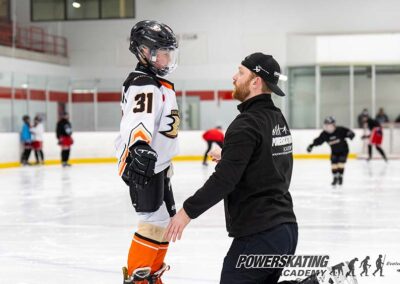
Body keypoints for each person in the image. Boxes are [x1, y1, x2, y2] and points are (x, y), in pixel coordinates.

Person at [165, 53, 298, 284]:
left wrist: (186, 212)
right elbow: (268, 160)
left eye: (241, 72)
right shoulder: (277, 118)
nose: (234, 77)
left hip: (259, 234)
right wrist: (229, 155)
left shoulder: (246, 123)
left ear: (256, 81)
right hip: (285, 231)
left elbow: (225, 180)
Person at [115, 20, 180, 284]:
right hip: (145, 164)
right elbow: (137, 118)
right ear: (144, 51)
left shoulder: (156, 82)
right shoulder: (143, 82)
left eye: (169, 51)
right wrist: (140, 147)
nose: (167, 57)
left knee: (164, 221)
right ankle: (138, 278)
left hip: (159, 165)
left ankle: (151, 274)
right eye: (162, 51)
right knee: (153, 221)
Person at [307, 117, 355, 186]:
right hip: (334, 151)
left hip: (344, 150)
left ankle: (340, 176)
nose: (327, 128)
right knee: (334, 163)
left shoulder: (340, 130)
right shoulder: (325, 134)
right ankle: (335, 177)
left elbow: (350, 133)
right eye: (326, 126)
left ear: (333, 125)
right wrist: (311, 145)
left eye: (329, 126)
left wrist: (351, 135)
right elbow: (318, 141)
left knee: (341, 162)